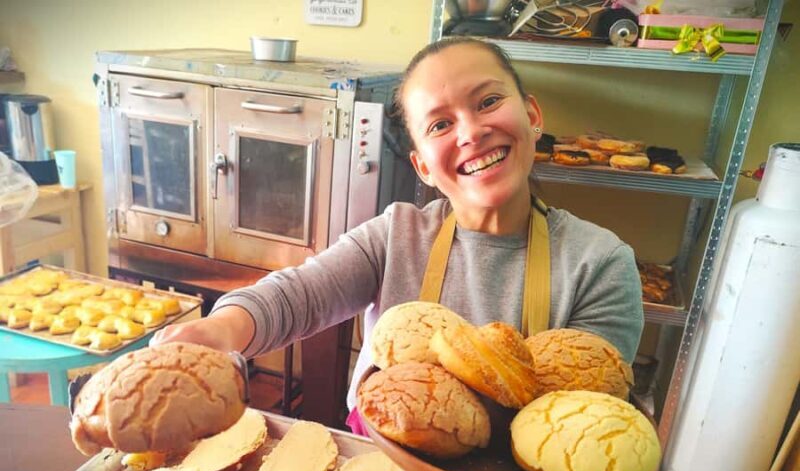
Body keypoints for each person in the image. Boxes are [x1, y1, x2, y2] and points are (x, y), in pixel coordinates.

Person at [151, 37, 644, 434]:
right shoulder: (398, 234)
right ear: (422, 166)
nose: (471, 132)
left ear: (532, 117)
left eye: (489, 101)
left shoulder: (599, 264)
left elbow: (581, 425)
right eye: (440, 124)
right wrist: (218, 330)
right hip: (381, 464)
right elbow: (299, 294)